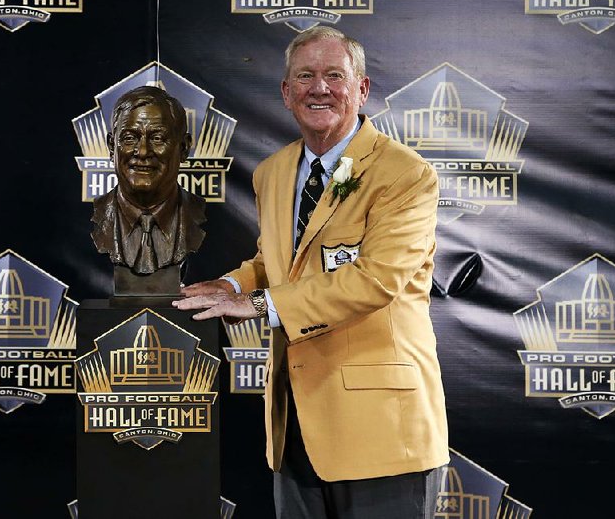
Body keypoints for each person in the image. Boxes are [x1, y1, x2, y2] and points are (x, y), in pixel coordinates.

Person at [173, 26, 448, 518]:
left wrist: (259, 305)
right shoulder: (272, 173)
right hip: (295, 424)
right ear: (285, 92)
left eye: (334, 76)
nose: (319, 88)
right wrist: (233, 284)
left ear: (361, 89)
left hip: (383, 433)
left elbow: (376, 279)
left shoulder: (405, 173)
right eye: (305, 76)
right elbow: (274, 260)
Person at [91, 85, 206, 276]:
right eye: (129, 138)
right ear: (112, 146)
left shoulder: (217, 225)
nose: (143, 151)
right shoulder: (77, 223)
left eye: (158, 138)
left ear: (184, 148)